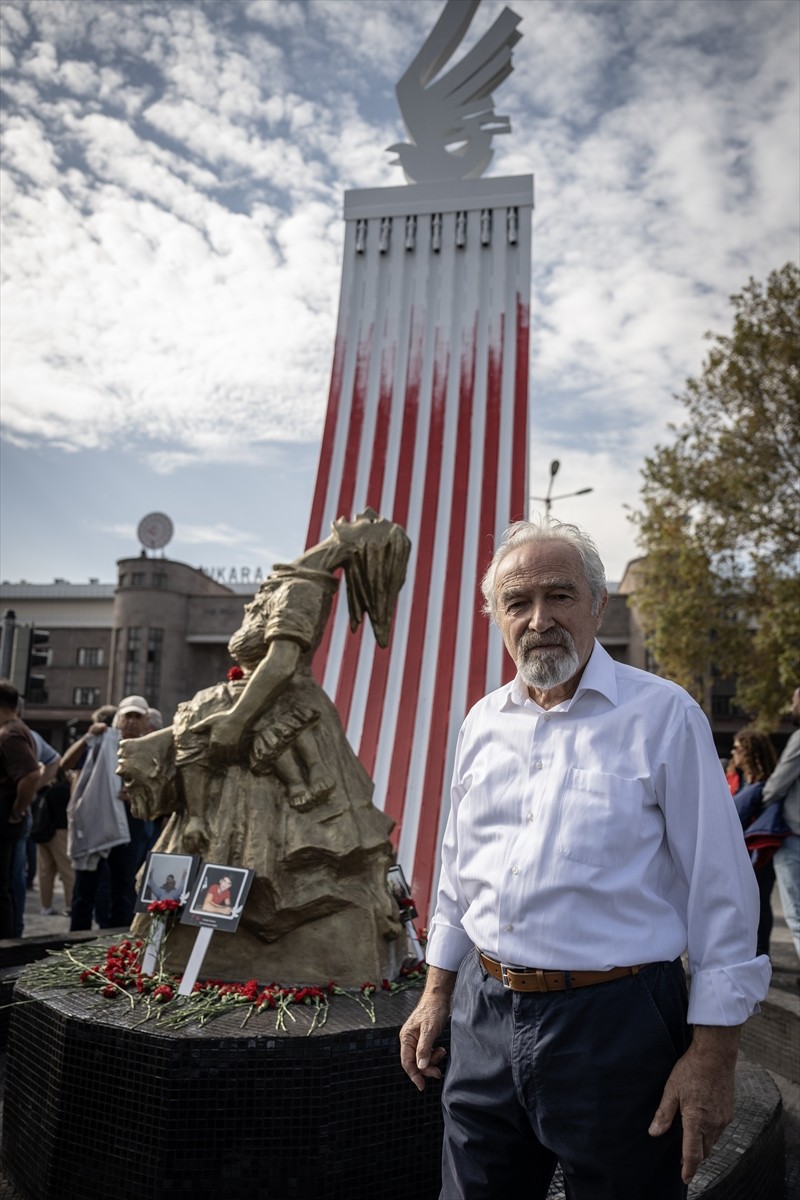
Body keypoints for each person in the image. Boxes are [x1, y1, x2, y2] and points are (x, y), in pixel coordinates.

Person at [399, 519, 770, 1200]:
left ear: (598, 604)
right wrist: (437, 993)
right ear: (497, 618)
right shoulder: (482, 725)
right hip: (482, 1019)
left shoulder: (664, 716)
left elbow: (722, 897)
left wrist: (714, 1056)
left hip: (617, 1026)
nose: (539, 619)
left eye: (560, 596)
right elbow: (457, 879)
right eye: (518, 602)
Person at [65, 697, 153, 930]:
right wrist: (87, 738)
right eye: (128, 717)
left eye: (138, 717)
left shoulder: (153, 749)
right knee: (86, 885)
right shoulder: (103, 743)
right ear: (119, 720)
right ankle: (76, 940)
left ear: (146, 722)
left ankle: (117, 943)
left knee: (123, 886)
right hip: (98, 820)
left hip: (132, 823)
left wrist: (138, 793)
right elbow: (66, 764)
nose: (132, 722)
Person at [0, 680, 49, 938]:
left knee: (3, 887)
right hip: (8, 817)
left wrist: (18, 810)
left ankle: (6, 947)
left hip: (5, 819)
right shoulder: (14, 730)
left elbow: (31, 774)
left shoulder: (10, 734)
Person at [729, 728, 778, 956]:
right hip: (737, 851)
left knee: (759, 899)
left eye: (738, 748)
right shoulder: (735, 780)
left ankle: (760, 950)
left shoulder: (766, 787)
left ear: (750, 752)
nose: (733, 752)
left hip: (757, 852)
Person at [761, 687, 800, 962]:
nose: (790, 707)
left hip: (795, 834)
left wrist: (758, 799)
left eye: (795, 701)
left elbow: (776, 785)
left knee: (796, 914)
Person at [35, 768, 75, 916]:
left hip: (42, 833)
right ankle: (71, 904)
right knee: (67, 870)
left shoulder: (44, 790)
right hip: (61, 832)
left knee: (45, 872)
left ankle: (45, 906)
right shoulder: (65, 790)